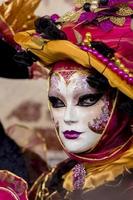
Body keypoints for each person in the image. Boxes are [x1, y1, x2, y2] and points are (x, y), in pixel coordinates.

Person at [14, 0, 133, 199]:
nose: (68, 117)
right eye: (57, 101)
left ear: (121, 102)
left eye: (86, 100)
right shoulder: (55, 180)